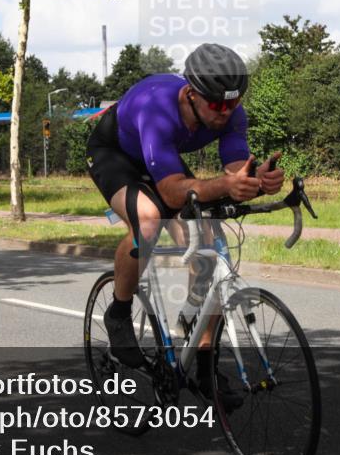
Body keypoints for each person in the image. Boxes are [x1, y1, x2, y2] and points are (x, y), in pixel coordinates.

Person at [86, 43, 285, 410]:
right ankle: (118, 311)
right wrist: (224, 186)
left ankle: (203, 361)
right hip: (114, 155)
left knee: (208, 243)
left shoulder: (230, 111)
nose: (226, 113)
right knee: (148, 220)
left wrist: (257, 181)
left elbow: (234, 170)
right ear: (191, 94)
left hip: (163, 161)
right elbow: (169, 192)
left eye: (233, 103)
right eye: (218, 105)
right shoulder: (157, 107)